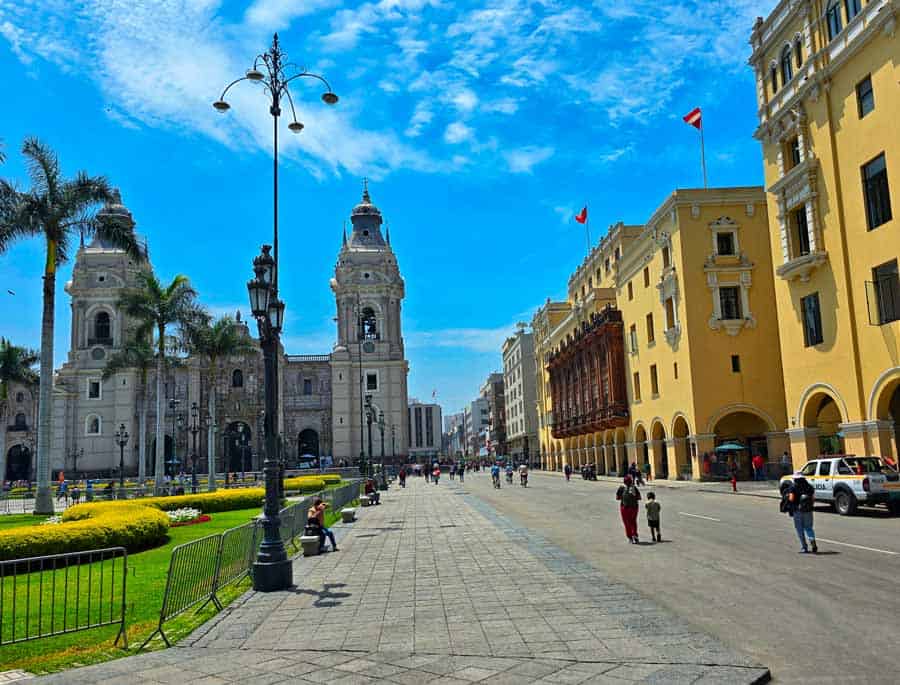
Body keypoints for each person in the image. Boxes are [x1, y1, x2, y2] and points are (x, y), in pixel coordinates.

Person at [782, 474, 817, 553]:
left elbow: (791, 499)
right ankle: (813, 542)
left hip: (797, 511)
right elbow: (813, 499)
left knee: (799, 529)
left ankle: (804, 547)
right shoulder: (810, 487)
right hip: (808, 510)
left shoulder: (793, 487)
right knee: (809, 528)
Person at [616, 475, 641, 544]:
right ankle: (635, 535)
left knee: (627, 523)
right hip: (634, 507)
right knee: (633, 521)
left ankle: (630, 537)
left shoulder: (621, 488)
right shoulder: (634, 488)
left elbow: (617, 498)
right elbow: (639, 498)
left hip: (625, 508)